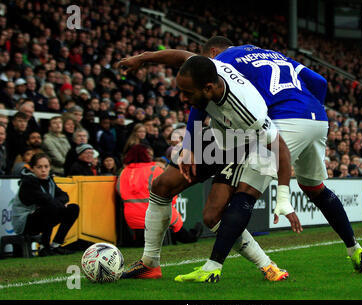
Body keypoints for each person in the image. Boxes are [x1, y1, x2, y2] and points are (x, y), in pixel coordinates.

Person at [118, 36, 362, 277]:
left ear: (213, 55)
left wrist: (142, 58)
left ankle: (254, 266)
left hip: (265, 128)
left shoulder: (229, 73)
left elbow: (270, 138)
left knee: (230, 203)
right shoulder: (275, 56)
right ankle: (354, 248)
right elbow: (320, 82)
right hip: (313, 118)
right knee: (313, 187)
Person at [118, 55, 295, 283]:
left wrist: (283, 196)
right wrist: (141, 59)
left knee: (213, 216)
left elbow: (281, 150)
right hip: (217, 138)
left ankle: (268, 266)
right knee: (161, 186)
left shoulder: (249, 113)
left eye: (188, 93)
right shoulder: (209, 71)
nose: (182, 98)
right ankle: (150, 263)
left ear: (209, 87)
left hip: (245, 147)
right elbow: (181, 56)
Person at [116, 144, 202, 249]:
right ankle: (191, 236)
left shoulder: (123, 173)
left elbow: (119, 191)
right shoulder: (154, 170)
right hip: (155, 214)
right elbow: (169, 190)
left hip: (133, 219)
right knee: (173, 220)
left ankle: (187, 235)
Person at [11, 153, 79, 256]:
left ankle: (56, 245)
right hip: (25, 222)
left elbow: (65, 196)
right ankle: (44, 247)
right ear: (32, 169)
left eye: (46, 167)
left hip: (44, 215)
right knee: (50, 208)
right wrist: (59, 204)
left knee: (73, 208)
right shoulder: (28, 182)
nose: (43, 170)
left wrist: (58, 203)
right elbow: (45, 200)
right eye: (39, 167)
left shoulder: (49, 181)